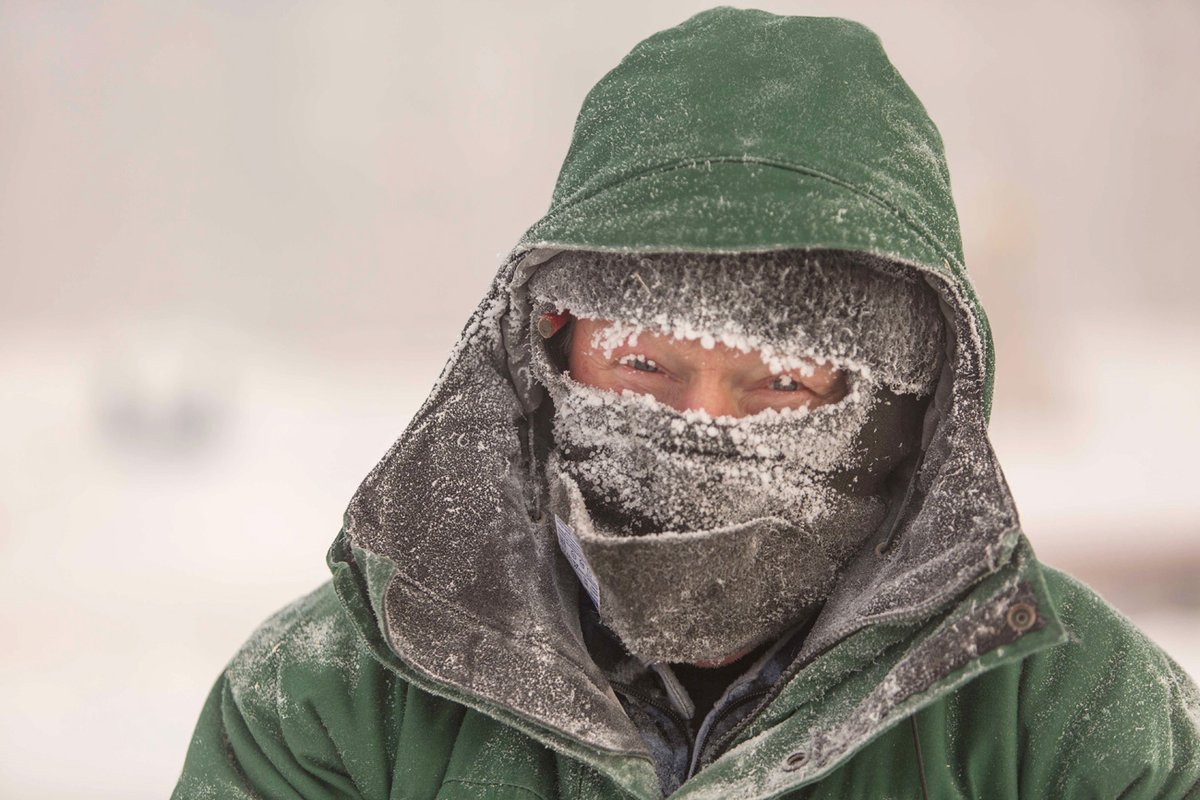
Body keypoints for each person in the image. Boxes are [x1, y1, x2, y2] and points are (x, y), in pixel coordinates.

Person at [172, 8, 1200, 798]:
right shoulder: (331, 701)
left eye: (783, 382)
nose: (703, 426)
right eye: (644, 366)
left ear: (900, 406)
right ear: (552, 350)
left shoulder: (1078, 722)